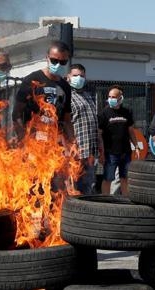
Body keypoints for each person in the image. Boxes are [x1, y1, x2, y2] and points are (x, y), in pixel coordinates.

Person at [11, 40, 74, 145]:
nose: (58, 65)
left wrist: (72, 142)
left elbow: (67, 120)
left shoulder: (65, 86)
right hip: (34, 142)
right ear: (47, 58)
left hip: (55, 143)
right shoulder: (32, 80)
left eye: (63, 62)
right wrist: (23, 138)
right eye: (54, 60)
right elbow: (16, 114)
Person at [98, 85, 139, 196]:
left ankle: (126, 200)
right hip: (110, 153)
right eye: (109, 97)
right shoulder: (103, 114)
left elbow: (131, 130)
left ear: (121, 98)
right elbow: (99, 134)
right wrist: (101, 152)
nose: (111, 99)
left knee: (125, 178)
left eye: (114, 97)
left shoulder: (127, 112)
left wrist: (136, 146)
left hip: (125, 152)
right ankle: (105, 200)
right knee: (108, 178)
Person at [67, 63, 99, 194]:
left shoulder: (88, 95)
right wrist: (71, 146)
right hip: (75, 151)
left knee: (88, 185)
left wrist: (100, 145)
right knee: (73, 185)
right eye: (75, 75)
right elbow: (63, 123)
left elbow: (95, 122)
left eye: (81, 76)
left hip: (90, 151)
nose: (79, 78)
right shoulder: (66, 96)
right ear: (68, 77)